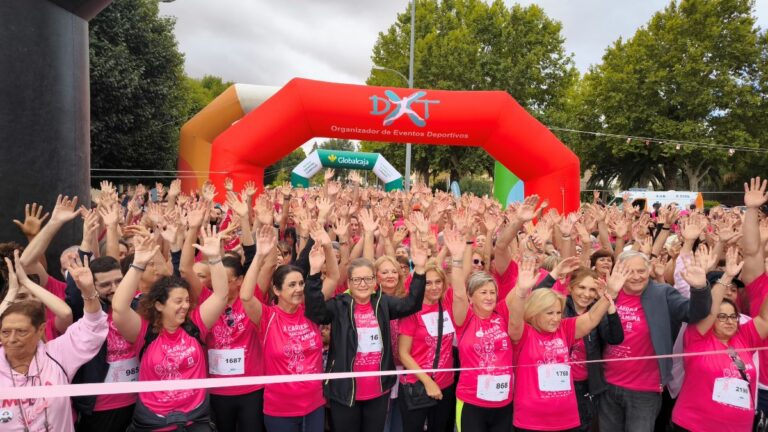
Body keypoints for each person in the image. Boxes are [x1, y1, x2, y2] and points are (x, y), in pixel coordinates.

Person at [112, 227, 229, 431]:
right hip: (154, 422)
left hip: (195, 419)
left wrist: (215, 259)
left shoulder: (194, 326)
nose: (185, 305)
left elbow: (220, 296)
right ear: (159, 305)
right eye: (178, 301)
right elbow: (119, 307)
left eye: (186, 300)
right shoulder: (144, 333)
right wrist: (138, 264)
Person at [303, 240, 427, 432]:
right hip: (345, 393)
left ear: (375, 282)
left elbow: (411, 304)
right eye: (357, 280)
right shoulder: (340, 305)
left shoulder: (383, 303)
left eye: (368, 279)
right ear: (349, 283)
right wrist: (313, 274)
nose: (363, 284)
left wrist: (419, 269)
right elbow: (316, 312)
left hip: (378, 392)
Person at [598, 250, 712, 432]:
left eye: (641, 271)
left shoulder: (663, 293)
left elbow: (694, 313)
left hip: (645, 390)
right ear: (618, 271)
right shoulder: (610, 293)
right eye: (629, 271)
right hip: (608, 385)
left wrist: (699, 289)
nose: (636, 277)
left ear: (649, 269)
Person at [509, 257, 624, 431]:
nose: (556, 318)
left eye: (558, 312)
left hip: (566, 417)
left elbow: (592, 318)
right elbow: (515, 316)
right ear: (535, 313)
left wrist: (611, 294)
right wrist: (521, 292)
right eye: (549, 313)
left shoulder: (564, 328)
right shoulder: (524, 333)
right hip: (531, 418)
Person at [0, 253, 108, 432]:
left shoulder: (56, 354)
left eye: (21, 332)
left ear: (40, 330)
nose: (12, 339)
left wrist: (88, 291)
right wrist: (11, 292)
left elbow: (92, 327)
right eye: (5, 332)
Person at [240, 226, 326, 432]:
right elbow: (245, 296)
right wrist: (259, 256)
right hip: (280, 410)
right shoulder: (267, 317)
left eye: (301, 283)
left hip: (315, 405)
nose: (298, 289)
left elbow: (334, 276)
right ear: (276, 290)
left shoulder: (310, 312)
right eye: (291, 285)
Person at [671, 248, 766, 432]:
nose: (729, 321)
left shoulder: (743, 337)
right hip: (694, 425)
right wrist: (727, 277)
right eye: (722, 316)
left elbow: (765, 319)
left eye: (733, 317)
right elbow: (709, 310)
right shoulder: (697, 337)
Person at [447, 229, 515, 432]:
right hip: (472, 402)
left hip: (503, 402)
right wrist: (457, 261)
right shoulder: (465, 319)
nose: (489, 297)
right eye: (483, 292)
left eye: (492, 292)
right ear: (471, 297)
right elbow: (458, 293)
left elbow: (519, 292)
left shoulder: (501, 313)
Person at [398, 262, 456, 432]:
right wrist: (428, 382)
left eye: (438, 282)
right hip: (418, 385)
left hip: (445, 384)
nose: (434, 287)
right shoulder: (412, 311)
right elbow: (403, 353)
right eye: (428, 283)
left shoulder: (447, 304)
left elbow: (461, 276)